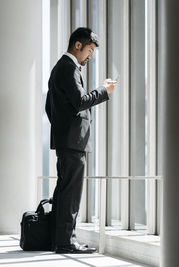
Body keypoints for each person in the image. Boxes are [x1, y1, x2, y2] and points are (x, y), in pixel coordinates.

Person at [45, 27, 116, 254]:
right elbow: (80, 101)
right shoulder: (67, 68)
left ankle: (58, 239)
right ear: (78, 45)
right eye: (90, 50)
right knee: (71, 193)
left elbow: (50, 107)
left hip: (68, 140)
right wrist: (104, 90)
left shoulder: (61, 68)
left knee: (64, 190)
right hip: (72, 142)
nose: (90, 56)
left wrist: (62, 127)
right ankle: (66, 242)